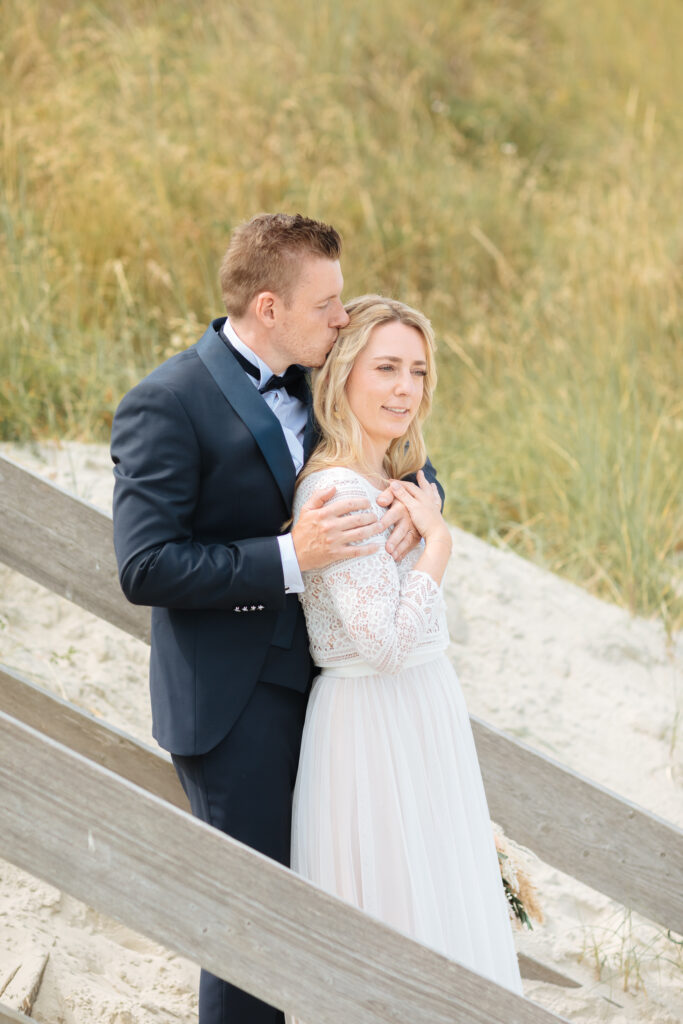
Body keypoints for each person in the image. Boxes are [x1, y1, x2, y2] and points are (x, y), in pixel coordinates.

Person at [110, 214, 442, 1024]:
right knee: (253, 928)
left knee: (328, 911)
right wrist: (294, 556)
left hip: (334, 701)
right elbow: (145, 566)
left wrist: (419, 504)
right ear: (269, 306)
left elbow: (404, 448)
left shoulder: (312, 377)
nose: (342, 318)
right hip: (235, 706)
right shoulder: (166, 402)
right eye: (327, 303)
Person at [289, 295, 523, 1016]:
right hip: (371, 726)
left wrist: (426, 521)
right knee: (395, 908)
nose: (404, 389)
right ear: (342, 376)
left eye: (417, 372)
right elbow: (383, 644)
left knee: (441, 896)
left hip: (420, 718)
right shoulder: (335, 489)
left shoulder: (396, 482)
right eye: (385, 367)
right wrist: (439, 548)